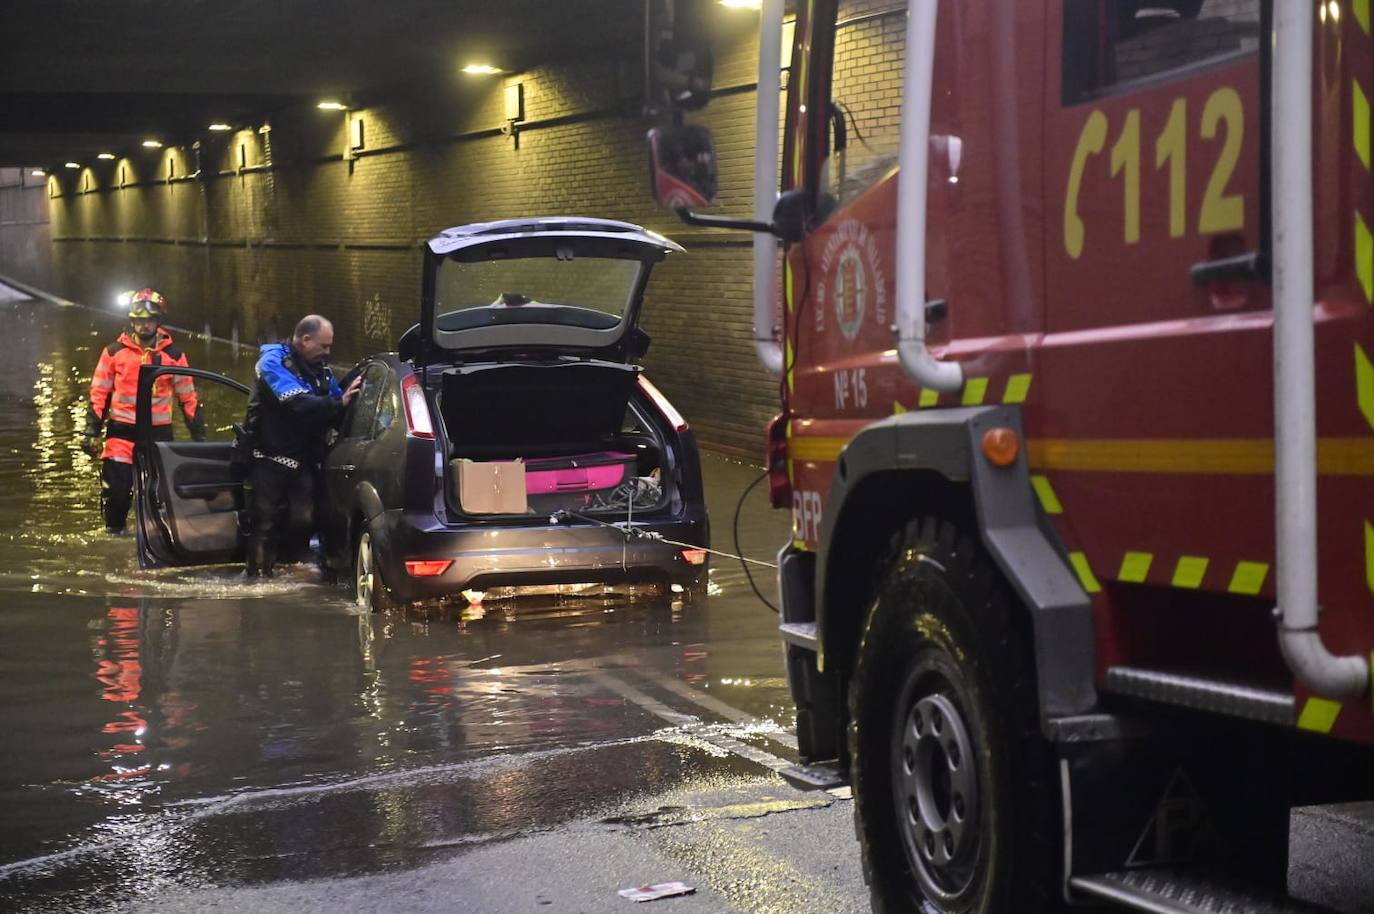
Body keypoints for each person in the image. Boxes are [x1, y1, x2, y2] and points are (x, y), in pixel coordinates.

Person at [242, 314, 361, 577]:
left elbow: (336, 405)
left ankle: (292, 573)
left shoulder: (322, 370)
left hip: (304, 459)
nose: (328, 352)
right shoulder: (272, 363)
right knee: (264, 522)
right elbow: (297, 404)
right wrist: (337, 404)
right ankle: (258, 579)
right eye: (324, 346)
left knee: (304, 520)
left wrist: (349, 400)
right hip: (268, 457)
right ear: (305, 340)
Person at [84, 288, 204, 534]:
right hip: (121, 435)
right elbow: (99, 393)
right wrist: (91, 431)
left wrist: (199, 438)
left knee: (157, 497)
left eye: (149, 320)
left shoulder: (174, 356)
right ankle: (114, 536)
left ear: (158, 321)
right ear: (132, 321)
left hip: (157, 437)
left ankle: (155, 541)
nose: (144, 325)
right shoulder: (114, 352)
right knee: (116, 493)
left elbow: (188, 397)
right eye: (139, 320)